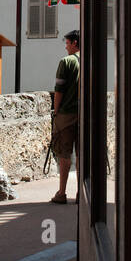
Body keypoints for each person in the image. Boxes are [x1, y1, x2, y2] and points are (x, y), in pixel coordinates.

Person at [50, 30, 81, 205]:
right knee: (82, 154)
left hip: (67, 114)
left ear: (75, 43)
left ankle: (61, 192)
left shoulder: (66, 62)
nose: (66, 46)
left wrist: (56, 111)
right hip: (84, 115)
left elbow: (59, 90)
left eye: (68, 43)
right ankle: (80, 192)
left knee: (64, 154)